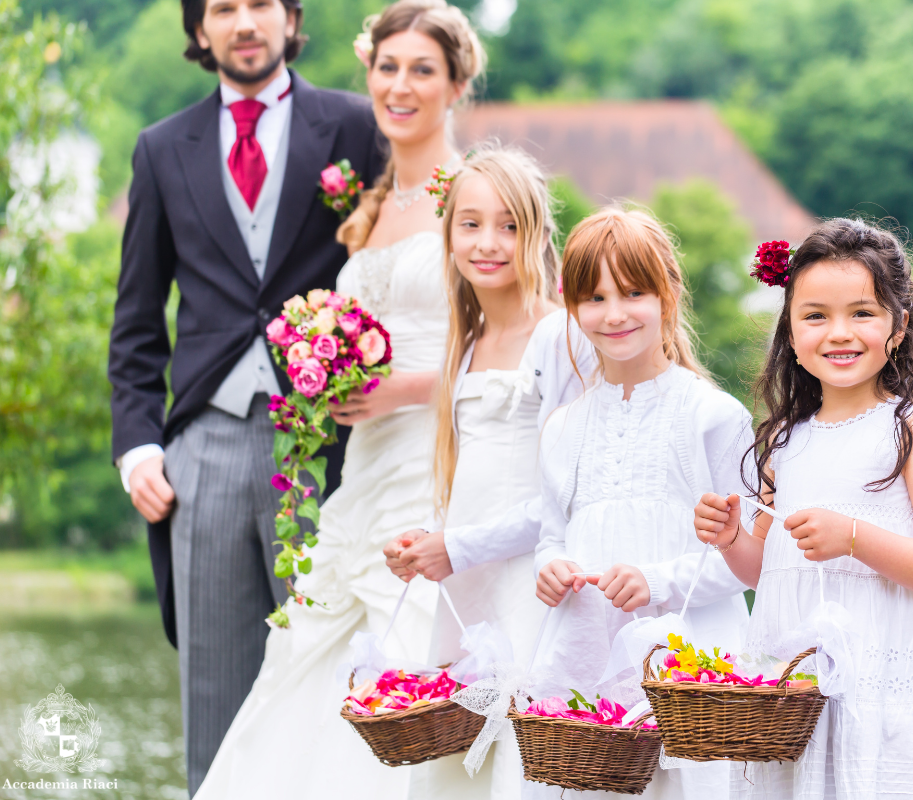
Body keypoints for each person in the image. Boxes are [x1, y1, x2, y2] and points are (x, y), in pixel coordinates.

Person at [189, 2, 486, 798]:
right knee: (309, 651)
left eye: (422, 70)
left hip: (440, 464)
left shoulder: (478, 197)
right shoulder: (369, 205)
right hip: (362, 468)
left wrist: (407, 387)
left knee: (414, 655)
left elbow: (525, 346)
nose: (400, 85)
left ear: (457, 83)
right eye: (387, 68)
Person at [107, 0, 384, 792]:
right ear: (200, 31)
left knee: (337, 688)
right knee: (217, 702)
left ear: (292, 20)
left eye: (261, 3)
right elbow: (134, 326)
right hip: (206, 449)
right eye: (223, 7)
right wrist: (138, 448)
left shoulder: (358, 128)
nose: (244, 21)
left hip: (330, 449)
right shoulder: (161, 149)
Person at [694, 219, 913, 799]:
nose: (839, 333)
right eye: (815, 316)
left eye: (862, 313)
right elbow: (769, 572)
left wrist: (856, 536)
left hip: (886, 692)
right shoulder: (783, 444)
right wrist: (733, 538)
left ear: (899, 326)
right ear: (789, 329)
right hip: (798, 701)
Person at [382, 144, 596, 800]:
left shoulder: (562, 337)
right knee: (455, 758)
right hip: (467, 581)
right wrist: (428, 539)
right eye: (470, 224)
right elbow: (471, 477)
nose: (488, 242)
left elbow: (570, 498)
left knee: (520, 753)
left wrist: (460, 545)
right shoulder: (466, 344)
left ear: (536, 234)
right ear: (447, 234)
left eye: (509, 225)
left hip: (529, 582)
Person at [531, 208, 752, 800]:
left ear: (669, 292)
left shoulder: (712, 415)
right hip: (586, 668)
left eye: (634, 292)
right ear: (571, 306)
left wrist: (655, 582)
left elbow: (748, 559)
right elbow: (552, 534)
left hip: (691, 672)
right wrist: (547, 569)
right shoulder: (561, 427)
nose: (614, 314)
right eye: (594, 297)